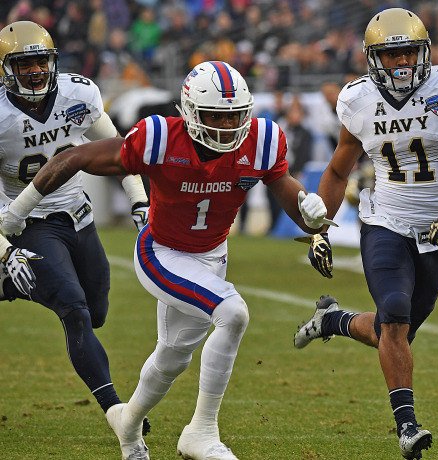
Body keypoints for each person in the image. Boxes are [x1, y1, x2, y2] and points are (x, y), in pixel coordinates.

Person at [1, 60, 331, 460]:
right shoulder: (159, 137)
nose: (226, 129)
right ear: (191, 112)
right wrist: (17, 212)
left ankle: (128, 422)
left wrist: (310, 215)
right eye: (215, 117)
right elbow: (72, 159)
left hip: (212, 255)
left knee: (173, 356)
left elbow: (285, 190)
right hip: (162, 253)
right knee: (233, 313)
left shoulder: (261, 140)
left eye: (234, 118)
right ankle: (202, 432)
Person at [293, 8, 438, 460]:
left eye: (409, 51)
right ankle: (407, 428)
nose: (402, 62)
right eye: (392, 54)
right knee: (394, 313)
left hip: (437, 231)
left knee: (395, 331)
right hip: (385, 220)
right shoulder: (359, 101)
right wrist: (319, 231)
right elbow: (336, 169)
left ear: (424, 52)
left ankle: (334, 320)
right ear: (374, 59)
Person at [0, 20, 151, 435]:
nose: (35, 70)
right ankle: (117, 411)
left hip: (78, 216)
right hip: (26, 221)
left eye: (41, 60)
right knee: (74, 310)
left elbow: (121, 149)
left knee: (97, 310)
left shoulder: (79, 94)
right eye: (24, 63)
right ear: (6, 69)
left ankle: (10, 284)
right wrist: (6, 249)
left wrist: (139, 200)